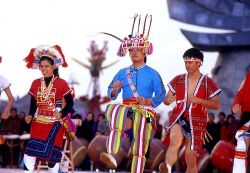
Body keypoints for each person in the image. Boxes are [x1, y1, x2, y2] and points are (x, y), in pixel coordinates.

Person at [99, 14, 166, 173]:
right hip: (127, 108)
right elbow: (110, 91)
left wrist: (150, 102)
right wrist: (114, 90)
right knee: (114, 111)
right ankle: (112, 155)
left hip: (145, 110)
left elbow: (162, 94)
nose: (134, 52)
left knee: (141, 141)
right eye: (131, 50)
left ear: (145, 53)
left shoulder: (153, 74)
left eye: (138, 50)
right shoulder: (122, 72)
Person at [159, 48, 221, 173]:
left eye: (190, 62)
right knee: (174, 141)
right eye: (185, 62)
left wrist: (197, 100)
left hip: (197, 120)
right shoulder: (178, 79)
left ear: (199, 63)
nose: (187, 65)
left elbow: (216, 105)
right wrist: (168, 100)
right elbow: (166, 100)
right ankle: (167, 167)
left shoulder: (208, 82)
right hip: (178, 116)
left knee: (190, 156)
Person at [21, 45, 73, 173]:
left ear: (53, 67)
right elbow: (33, 103)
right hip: (38, 123)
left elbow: (70, 104)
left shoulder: (62, 83)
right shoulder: (35, 83)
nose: (43, 69)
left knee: (51, 158)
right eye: (41, 66)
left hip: (55, 124)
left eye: (47, 66)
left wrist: (61, 113)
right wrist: (30, 115)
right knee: (30, 153)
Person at [231, 72, 250, 173]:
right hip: (247, 115)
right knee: (242, 142)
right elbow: (240, 93)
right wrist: (236, 103)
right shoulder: (248, 77)